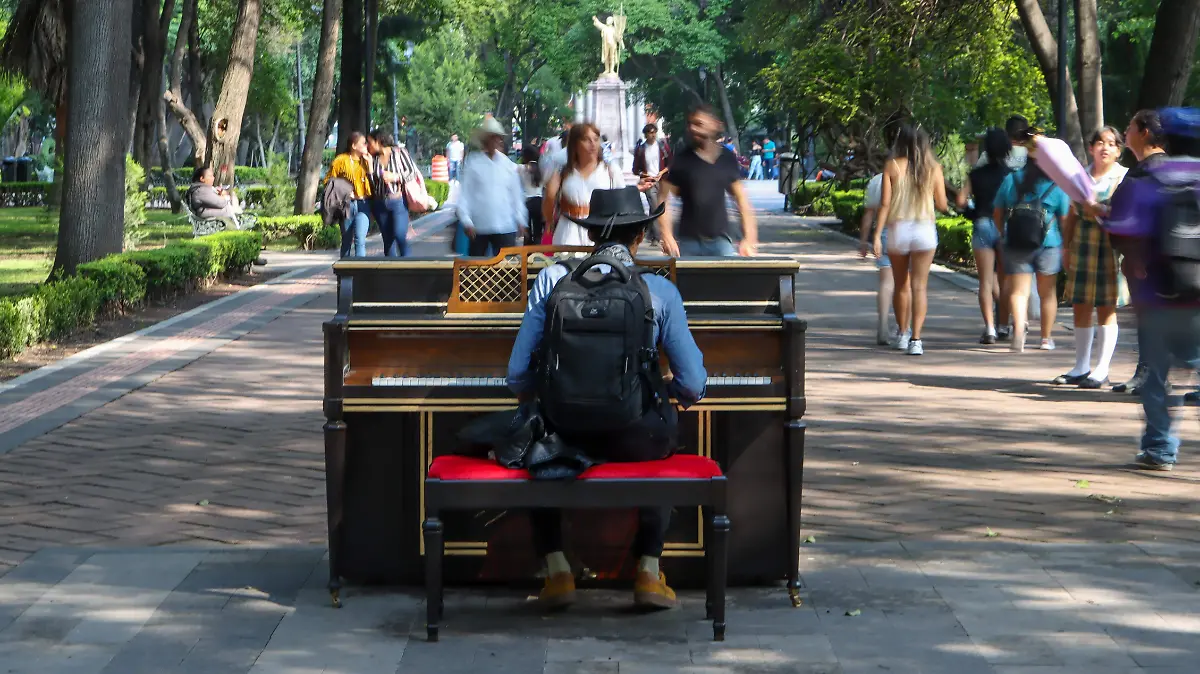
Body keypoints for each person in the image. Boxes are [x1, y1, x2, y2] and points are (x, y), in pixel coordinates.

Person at [505, 186, 707, 609]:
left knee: (536, 432)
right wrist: (662, 393)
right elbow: (692, 383)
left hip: (564, 433)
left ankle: (557, 569)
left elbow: (517, 373)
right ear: (640, 236)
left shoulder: (552, 280)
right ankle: (648, 570)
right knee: (664, 428)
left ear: (592, 234)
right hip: (634, 437)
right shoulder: (659, 291)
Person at [1101, 107, 1200, 470]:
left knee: (1156, 374)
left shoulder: (1148, 178)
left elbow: (1123, 229)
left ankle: (1160, 448)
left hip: (1157, 290)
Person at [1055, 126, 1129, 387]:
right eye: (1099, 142)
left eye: (1111, 143)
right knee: (1081, 304)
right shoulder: (1081, 177)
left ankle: (1102, 368)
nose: (1104, 148)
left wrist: (1100, 209)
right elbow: (1072, 217)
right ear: (1090, 148)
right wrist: (1066, 248)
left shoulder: (1124, 178)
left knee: (1106, 306)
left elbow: (1127, 214)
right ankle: (1081, 366)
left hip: (1111, 247)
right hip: (1083, 244)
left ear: (1118, 151)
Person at [873, 124, 949, 356]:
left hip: (899, 229)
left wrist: (876, 235)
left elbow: (885, 204)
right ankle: (916, 340)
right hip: (924, 229)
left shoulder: (892, 166)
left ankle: (903, 333)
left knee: (901, 285)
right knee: (920, 286)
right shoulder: (933, 168)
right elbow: (942, 204)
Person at [993, 137, 1071, 353]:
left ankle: (1019, 330)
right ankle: (1046, 338)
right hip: (1049, 243)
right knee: (1047, 293)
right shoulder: (1057, 184)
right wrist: (1067, 245)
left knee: (1019, 292)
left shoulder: (1012, 179)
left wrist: (1003, 233)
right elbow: (1065, 220)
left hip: (1017, 242)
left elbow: (997, 212)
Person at [1112, 110, 1170, 394]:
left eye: (1130, 127)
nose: (1125, 132)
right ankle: (1150, 374)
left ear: (1144, 132)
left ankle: (1150, 374)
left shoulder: (1150, 172)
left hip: (1151, 259)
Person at [657, 105, 759, 257]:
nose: (693, 129)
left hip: (720, 242)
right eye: (690, 124)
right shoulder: (682, 159)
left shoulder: (726, 158)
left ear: (715, 125)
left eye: (699, 124)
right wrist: (666, 235)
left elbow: (741, 199)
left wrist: (749, 239)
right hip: (688, 243)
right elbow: (663, 199)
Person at [956, 128, 1013, 344]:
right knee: (1006, 281)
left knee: (985, 282)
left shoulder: (976, 174)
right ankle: (1005, 325)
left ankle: (989, 329)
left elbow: (961, 201)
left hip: (982, 224)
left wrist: (971, 211)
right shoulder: (1011, 175)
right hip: (1005, 226)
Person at [543, 123, 640, 246]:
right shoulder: (563, 172)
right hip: (568, 231)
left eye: (595, 139)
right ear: (575, 144)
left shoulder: (610, 170)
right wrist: (550, 199)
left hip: (601, 231)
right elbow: (549, 203)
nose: (592, 144)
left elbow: (622, 204)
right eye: (586, 139)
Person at [457, 117, 527, 257]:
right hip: (479, 226)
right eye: (492, 137)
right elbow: (465, 194)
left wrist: (521, 219)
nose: (496, 140)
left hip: (505, 225)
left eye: (497, 137)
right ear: (485, 139)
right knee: (476, 267)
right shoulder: (473, 163)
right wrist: (466, 220)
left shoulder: (508, 165)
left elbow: (516, 195)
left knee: (507, 266)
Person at [859, 172, 908, 344]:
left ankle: (883, 325)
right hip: (907, 231)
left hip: (886, 232)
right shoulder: (909, 177)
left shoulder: (876, 181)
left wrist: (864, 241)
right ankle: (904, 328)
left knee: (887, 282)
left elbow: (868, 214)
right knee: (905, 283)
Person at [368, 129, 424, 257]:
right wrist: (370, 170)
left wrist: (395, 177)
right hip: (380, 203)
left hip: (398, 201)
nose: (368, 145)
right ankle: (391, 268)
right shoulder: (373, 158)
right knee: (388, 241)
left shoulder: (399, 152)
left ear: (378, 141)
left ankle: (407, 265)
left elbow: (412, 172)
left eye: (370, 142)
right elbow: (372, 184)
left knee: (400, 235)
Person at [325, 132, 374, 257]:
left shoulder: (368, 160)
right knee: (346, 241)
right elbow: (329, 182)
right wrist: (344, 191)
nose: (366, 145)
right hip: (346, 205)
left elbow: (374, 184)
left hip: (363, 204)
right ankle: (345, 269)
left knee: (360, 240)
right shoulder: (341, 160)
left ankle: (360, 269)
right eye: (363, 143)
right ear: (354, 146)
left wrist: (370, 166)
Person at [632, 123, 673, 239]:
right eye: (650, 133)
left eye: (654, 132)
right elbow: (635, 170)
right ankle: (657, 236)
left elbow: (671, 163)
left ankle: (649, 231)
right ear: (645, 135)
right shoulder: (641, 149)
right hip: (649, 182)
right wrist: (645, 175)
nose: (653, 135)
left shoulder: (662, 147)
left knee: (659, 207)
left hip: (662, 181)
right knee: (655, 207)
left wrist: (662, 172)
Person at [518, 145, 545, 244]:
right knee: (538, 231)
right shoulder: (542, 168)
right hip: (539, 201)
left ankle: (527, 250)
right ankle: (537, 249)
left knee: (527, 231)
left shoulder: (521, 168)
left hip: (527, 201)